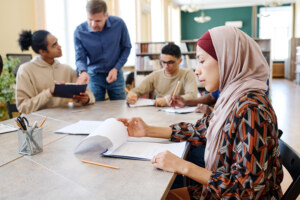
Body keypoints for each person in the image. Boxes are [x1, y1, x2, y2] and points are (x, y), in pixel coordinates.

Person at [118, 26, 283, 199]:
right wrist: (148, 130)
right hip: (220, 189)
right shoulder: (232, 97)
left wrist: (184, 167)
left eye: (202, 61)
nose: (197, 70)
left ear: (228, 59)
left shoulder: (251, 108)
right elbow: (202, 129)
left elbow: (248, 190)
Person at [16, 30, 95, 114]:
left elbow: (90, 96)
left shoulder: (67, 69)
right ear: (42, 51)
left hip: (64, 120)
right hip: (38, 122)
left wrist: (86, 99)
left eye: (57, 42)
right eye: (54, 45)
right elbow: (23, 107)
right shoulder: (25, 70)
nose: (59, 47)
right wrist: (49, 92)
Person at [74, 0, 131, 101]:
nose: (93, 24)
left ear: (106, 16)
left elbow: (126, 47)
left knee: (120, 106)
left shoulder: (119, 24)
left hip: (115, 73)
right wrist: (83, 72)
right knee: (94, 108)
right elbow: (80, 57)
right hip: (94, 75)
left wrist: (116, 68)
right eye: (90, 19)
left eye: (98, 21)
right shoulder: (79, 31)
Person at [126, 44, 198, 107]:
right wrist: (132, 95)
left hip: (181, 113)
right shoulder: (156, 75)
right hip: (159, 112)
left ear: (180, 61)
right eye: (163, 62)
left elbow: (192, 96)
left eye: (170, 62)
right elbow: (137, 90)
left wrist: (167, 100)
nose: (166, 66)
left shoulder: (187, 74)